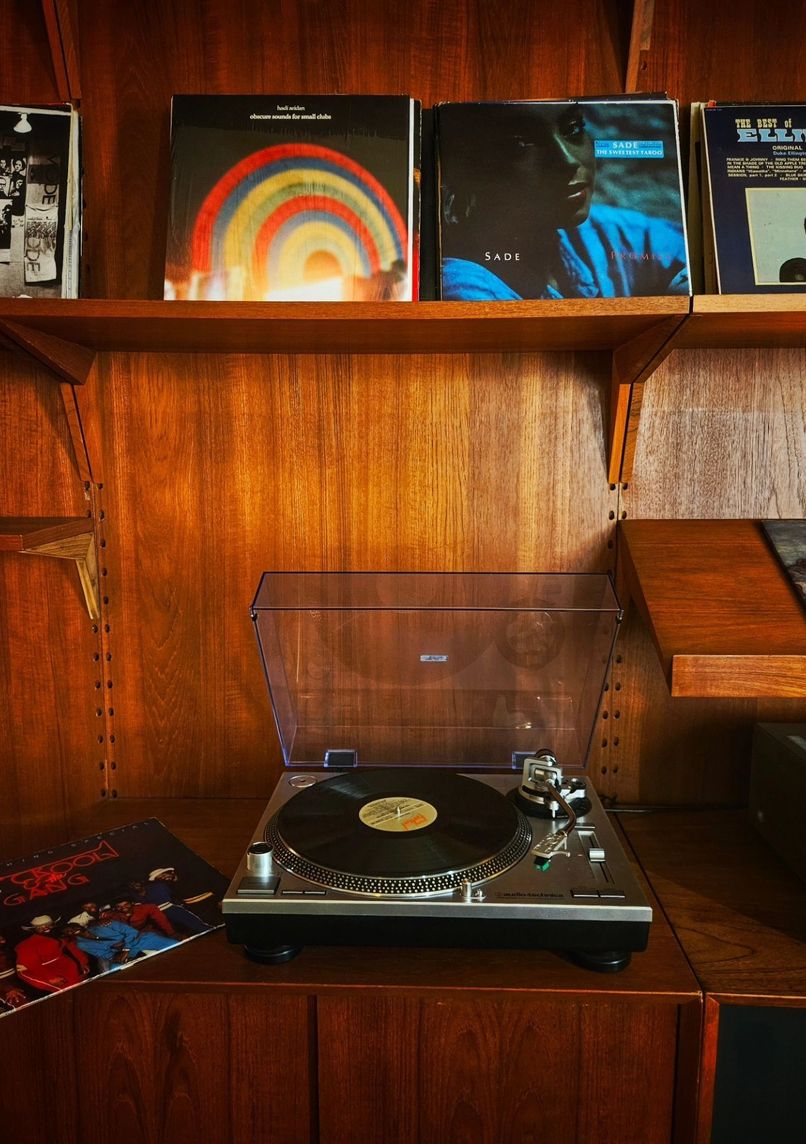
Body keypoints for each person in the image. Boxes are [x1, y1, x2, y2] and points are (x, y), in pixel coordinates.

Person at [439, 101, 689, 300]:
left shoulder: (594, 234)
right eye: (519, 146)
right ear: (467, 170)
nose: (568, 160)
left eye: (573, 129)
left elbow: (684, 250)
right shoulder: (463, 287)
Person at [14, 915, 90, 993]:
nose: (45, 928)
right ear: (34, 929)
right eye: (40, 927)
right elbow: (31, 964)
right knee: (66, 989)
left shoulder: (59, 935)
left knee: (81, 980)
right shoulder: (27, 945)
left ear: (53, 924)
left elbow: (72, 947)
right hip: (33, 969)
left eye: (48, 924)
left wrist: (83, 962)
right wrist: (50, 977)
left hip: (58, 963)